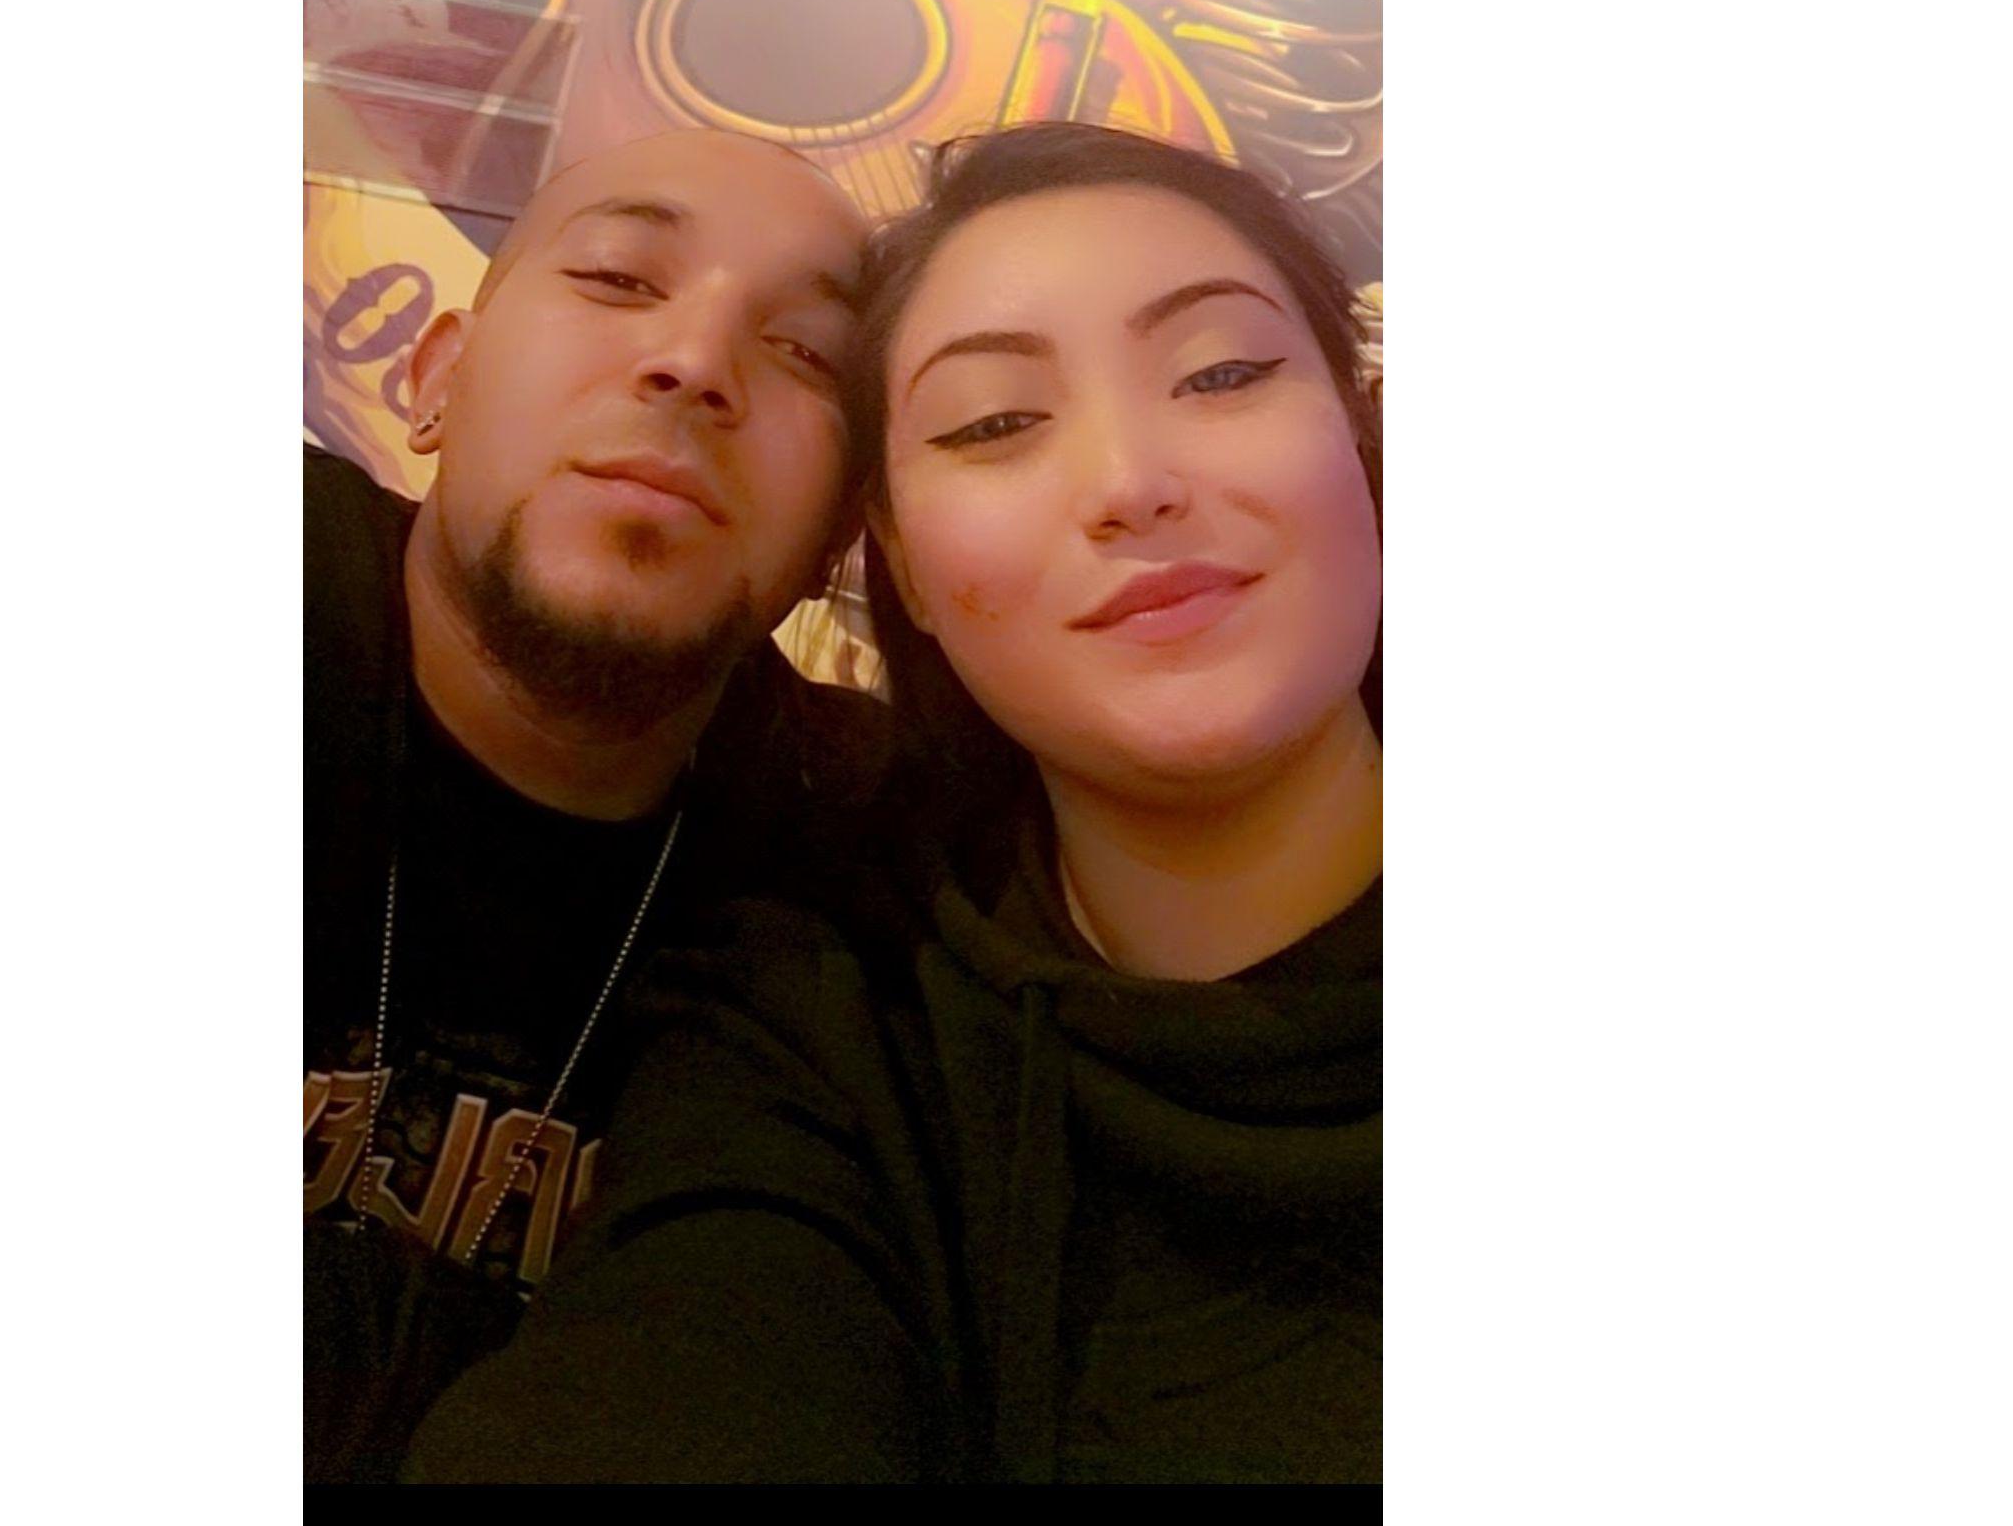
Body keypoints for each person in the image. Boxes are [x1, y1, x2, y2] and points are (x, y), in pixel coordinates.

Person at [404, 121, 1383, 1485]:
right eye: (995, 422)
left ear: (1365, 436)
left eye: (1221, 372)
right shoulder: (832, 1024)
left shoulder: (804, 835)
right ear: (901, 565)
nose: (1130, 483)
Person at [305, 127, 893, 1482]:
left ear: (838, 536)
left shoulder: (874, 880)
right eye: (621, 279)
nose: (694, 361)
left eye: (806, 352)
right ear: (436, 379)